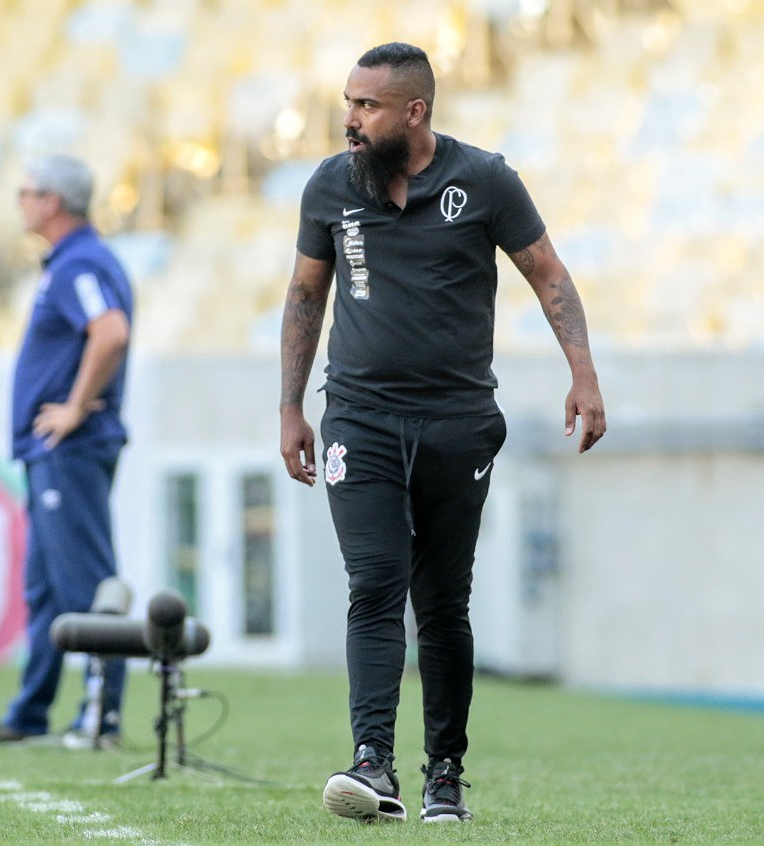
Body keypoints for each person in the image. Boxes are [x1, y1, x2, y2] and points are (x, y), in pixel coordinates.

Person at [279, 42, 606, 823]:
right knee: (373, 583)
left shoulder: (484, 179)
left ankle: (445, 775)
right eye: (348, 102)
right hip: (356, 415)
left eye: (366, 105)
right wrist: (290, 407)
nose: (349, 118)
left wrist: (583, 374)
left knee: (442, 602)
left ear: (414, 112)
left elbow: (549, 275)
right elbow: (303, 296)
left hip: (458, 422)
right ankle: (371, 764)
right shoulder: (329, 185)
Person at [0, 154, 134, 749]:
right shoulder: (72, 263)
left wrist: (74, 407)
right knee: (45, 589)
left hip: (69, 449)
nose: (20, 201)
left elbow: (111, 331)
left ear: (53, 201)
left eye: (26, 192)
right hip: (51, 451)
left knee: (86, 583)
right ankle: (30, 712)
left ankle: (103, 715)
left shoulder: (79, 264)